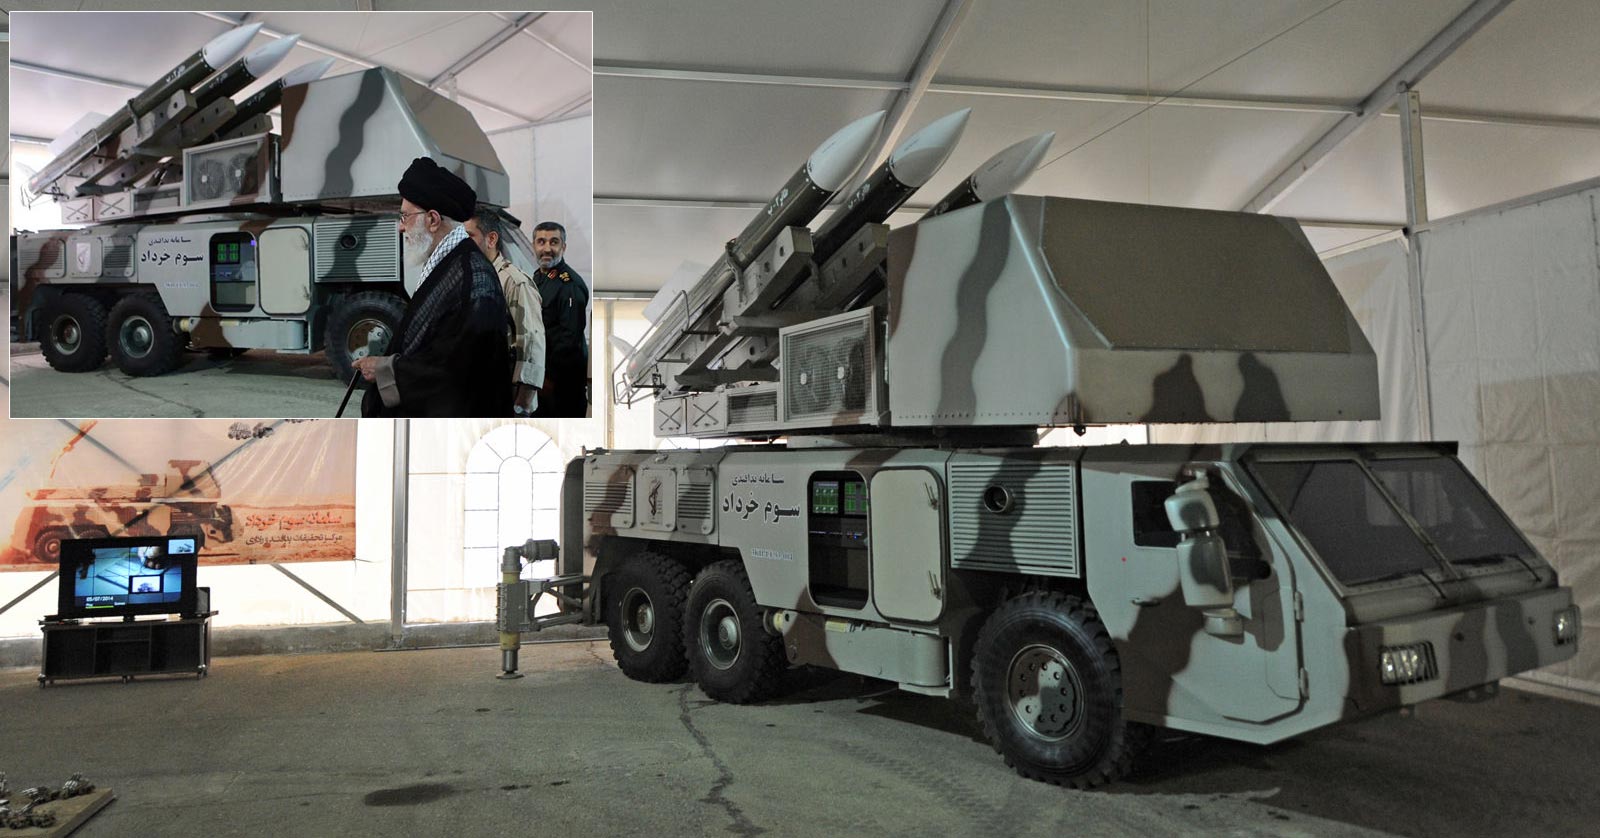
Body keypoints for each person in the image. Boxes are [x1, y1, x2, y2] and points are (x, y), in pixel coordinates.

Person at [353, 157, 511, 417]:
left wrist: (385, 369)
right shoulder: (452, 263)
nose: (400, 226)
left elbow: (456, 371)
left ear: (433, 220)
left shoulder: (472, 277)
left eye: (405, 216)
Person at [466, 207, 546, 416]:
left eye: (469, 236)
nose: (462, 244)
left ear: (491, 239)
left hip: (508, 392)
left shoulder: (514, 282)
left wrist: (522, 403)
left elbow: (532, 342)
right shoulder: (471, 278)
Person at [529, 221, 590, 417]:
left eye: (554, 242)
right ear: (533, 246)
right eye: (541, 242)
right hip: (541, 376)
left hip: (560, 383)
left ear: (563, 247)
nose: (547, 249)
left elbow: (569, 340)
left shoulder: (568, 285)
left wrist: (549, 377)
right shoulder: (540, 277)